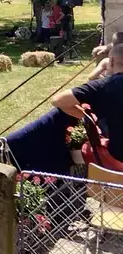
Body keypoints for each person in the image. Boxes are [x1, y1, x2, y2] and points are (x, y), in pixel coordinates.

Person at [52, 42, 123, 172]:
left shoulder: (103, 85)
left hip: (118, 159)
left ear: (111, 61)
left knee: (87, 150)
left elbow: (58, 100)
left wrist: (87, 118)